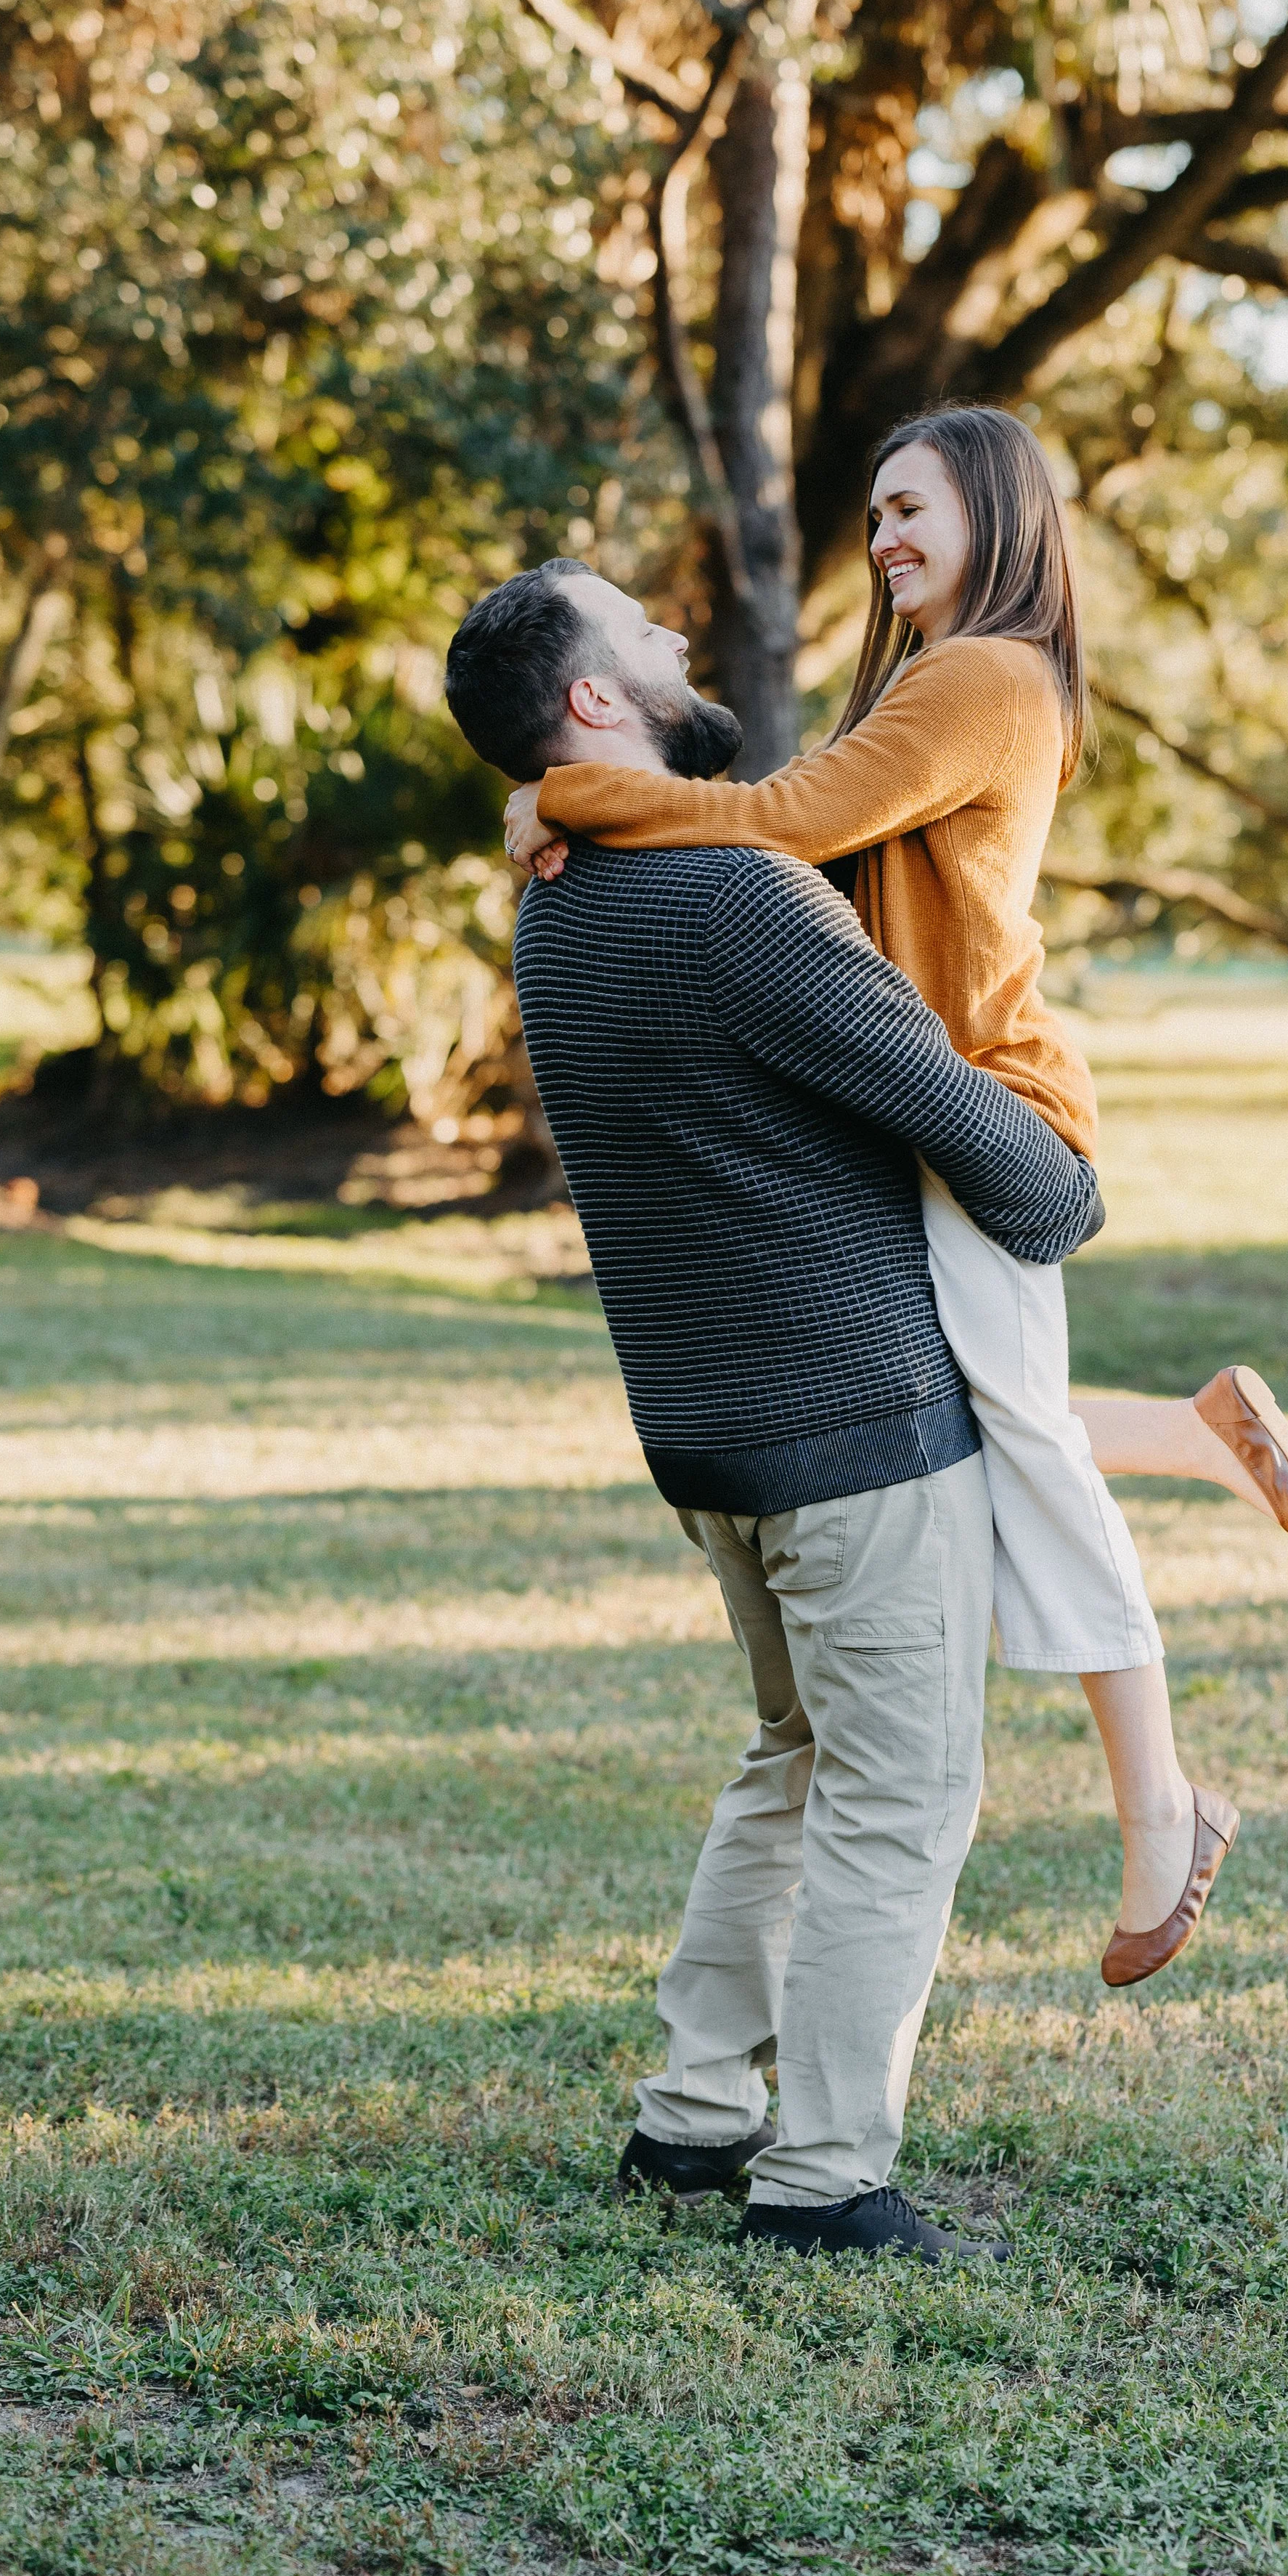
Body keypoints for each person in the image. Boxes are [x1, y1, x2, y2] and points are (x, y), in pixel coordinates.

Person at [500, 407, 1288, 1986]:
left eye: (910, 509)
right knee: (967, 1421)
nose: (883, 538)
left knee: (1013, 1444)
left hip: (987, 1106)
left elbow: (775, 829)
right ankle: (1197, 1434)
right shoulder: (927, 677)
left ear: (994, 510)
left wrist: (573, 798)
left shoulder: (987, 676)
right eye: (874, 510)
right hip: (916, 1111)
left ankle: (1163, 1807)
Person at [444, 558, 1122, 2264]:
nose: (679, 636)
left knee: (795, 1756)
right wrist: (1058, 1153)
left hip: (709, 1436)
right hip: (850, 1433)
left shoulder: (560, 902)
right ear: (594, 703)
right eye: (640, 630)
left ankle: (691, 2117)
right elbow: (1010, 1179)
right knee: (902, 1789)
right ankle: (824, 2180)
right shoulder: (738, 901)